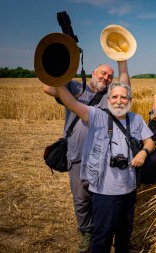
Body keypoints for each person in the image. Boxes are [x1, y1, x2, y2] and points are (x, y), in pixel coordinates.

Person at [53, 81, 154, 253]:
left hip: (129, 190)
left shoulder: (136, 119)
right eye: (114, 97)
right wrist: (57, 80)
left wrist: (143, 152)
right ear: (108, 100)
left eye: (123, 97)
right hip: (103, 192)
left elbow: (150, 141)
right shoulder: (97, 116)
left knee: (125, 233)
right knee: (102, 236)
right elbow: (72, 103)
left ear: (130, 100)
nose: (119, 101)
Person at [43, 62, 129, 253]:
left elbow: (125, 85)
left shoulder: (109, 95)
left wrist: (122, 61)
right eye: (103, 74)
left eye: (109, 76)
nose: (106, 78)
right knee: (81, 198)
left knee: (100, 198)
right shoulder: (75, 87)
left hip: (101, 157)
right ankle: (85, 233)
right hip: (76, 153)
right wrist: (64, 67)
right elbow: (48, 87)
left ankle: (99, 233)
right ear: (93, 73)